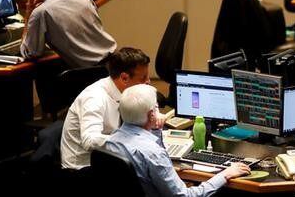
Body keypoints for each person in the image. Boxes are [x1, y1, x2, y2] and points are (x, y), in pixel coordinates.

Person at [106, 83, 250, 197]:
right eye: (156, 107)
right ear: (151, 115)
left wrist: (155, 129)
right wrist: (225, 174)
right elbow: (185, 196)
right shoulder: (153, 153)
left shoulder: (111, 141)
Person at [60, 47, 164, 170]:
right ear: (124, 78)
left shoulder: (128, 92)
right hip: (83, 168)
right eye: (143, 78)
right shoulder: (94, 98)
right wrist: (129, 141)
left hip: (112, 157)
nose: (148, 82)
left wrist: (156, 112)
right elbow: (90, 140)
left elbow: (150, 96)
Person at [20, 0, 116, 68]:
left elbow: (30, 52)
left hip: (92, 72)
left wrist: (28, 16)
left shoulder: (41, 12)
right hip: (115, 60)